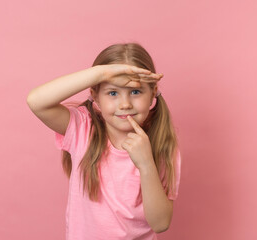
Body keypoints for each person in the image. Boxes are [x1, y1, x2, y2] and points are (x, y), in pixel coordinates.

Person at [27, 42, 181, 240]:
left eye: (135, 92)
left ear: (152, 93)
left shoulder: (162, 143)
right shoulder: (83, 129)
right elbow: (36, 101)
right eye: (112, 93)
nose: (125, 104)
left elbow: (160, 224)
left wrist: (146, 164)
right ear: (95, 97)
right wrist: (102, 74)